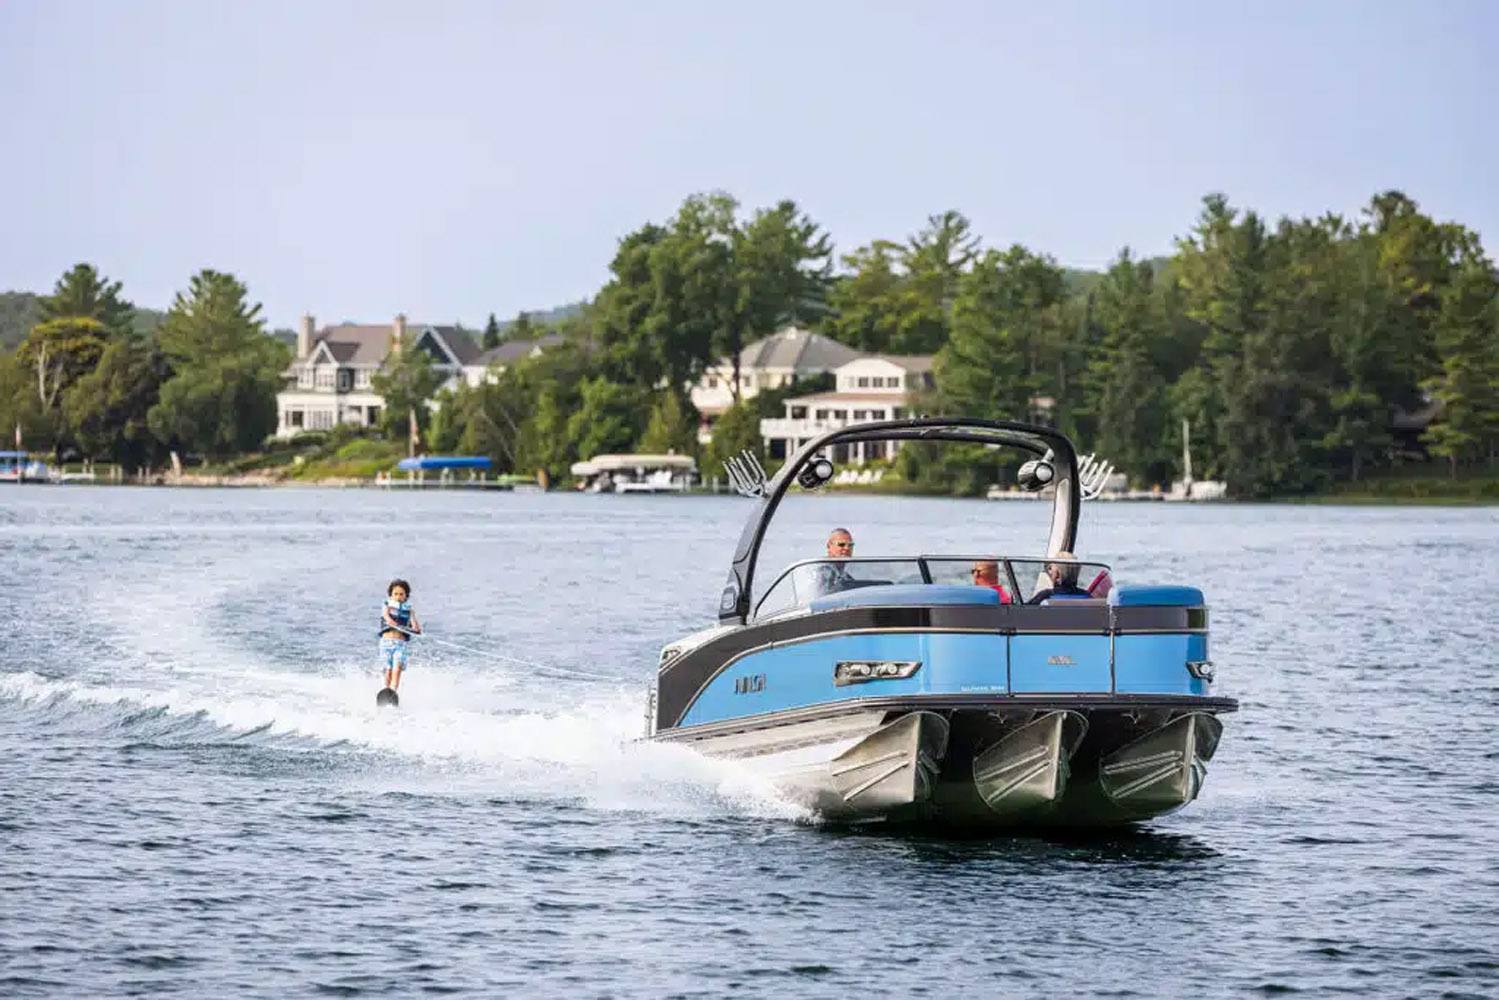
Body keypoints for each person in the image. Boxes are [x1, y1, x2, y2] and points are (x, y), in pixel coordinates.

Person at [379, 578, 422, 691]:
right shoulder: (387, 606)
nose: (398, 597)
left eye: (401, 594)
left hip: (400, 644)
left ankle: (393, 691)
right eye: (395, 594)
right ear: (391, 595)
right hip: (386, 643)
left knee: (397, 669)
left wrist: (416, 629)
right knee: (388, 670)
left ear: (406, 596)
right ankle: (386, 690)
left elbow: (415, 627)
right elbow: (386, 617)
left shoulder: (409, 611)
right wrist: (392, 622)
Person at [1027, 552, 1092, 604]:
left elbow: (1023, 612)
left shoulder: (1045, 596)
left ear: (1057, 575)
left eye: (1050, 569)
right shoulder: (1087, 597)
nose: (1049, 572)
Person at [810, 528, 856, 595]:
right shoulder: (823, 572)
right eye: (841, 544)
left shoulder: (846, 577)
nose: (847, 548)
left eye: (850, 545)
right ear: (829, 546)